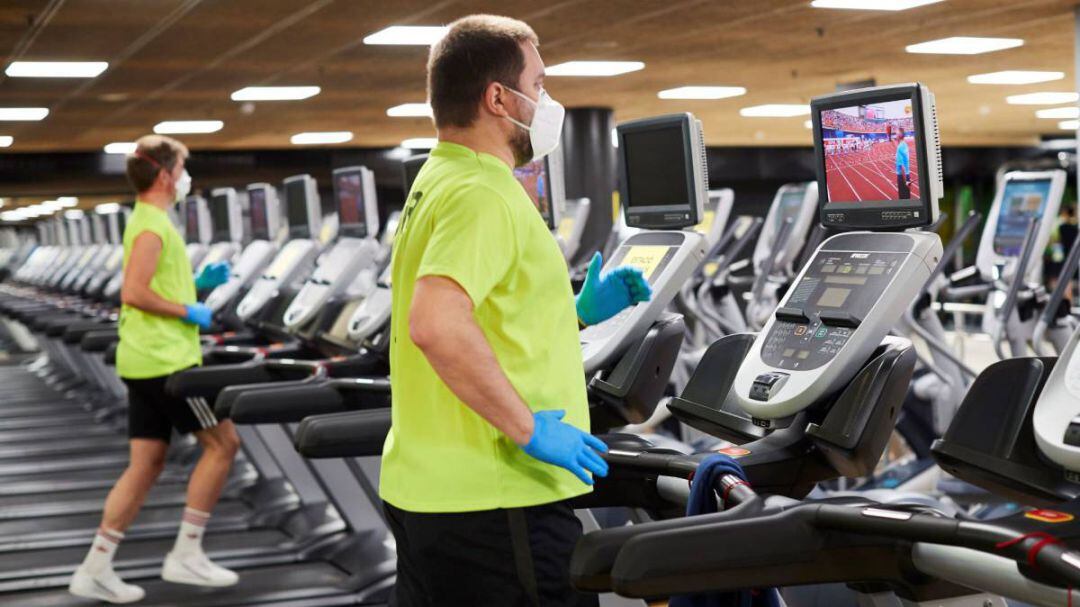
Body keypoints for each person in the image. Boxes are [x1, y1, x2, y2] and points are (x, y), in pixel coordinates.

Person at [382, 14, 652, 607]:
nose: (548, 100)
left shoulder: (439, 178)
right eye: (540, 84)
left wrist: (573, 313)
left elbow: (481, 313)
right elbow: (435, 323)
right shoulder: (484, 193)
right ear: (499, 99)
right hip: (496, 499)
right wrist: (529, 430)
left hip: (433, 491)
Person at [69, 134, 238, 604]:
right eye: (182, 168)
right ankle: (186, 555)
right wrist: (190, 312)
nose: (185, 177)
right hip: (169, 363)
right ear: (165, 175)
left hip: (144, 358)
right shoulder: (152, 226)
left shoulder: (150, 220)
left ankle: (95, 567)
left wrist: (195, 286)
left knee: (146, 464)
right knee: (224, 444)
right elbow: (135, 292)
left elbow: (156, 282)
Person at [894, 125, 911, 199]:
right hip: (906, 174)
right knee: (907, 196)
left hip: (902, 176)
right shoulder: (904, 145)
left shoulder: (900, 147)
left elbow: (902, 166)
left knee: (903, 198)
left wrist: (906, 181)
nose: (895, 135)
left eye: (896, 134)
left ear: (899, 135)